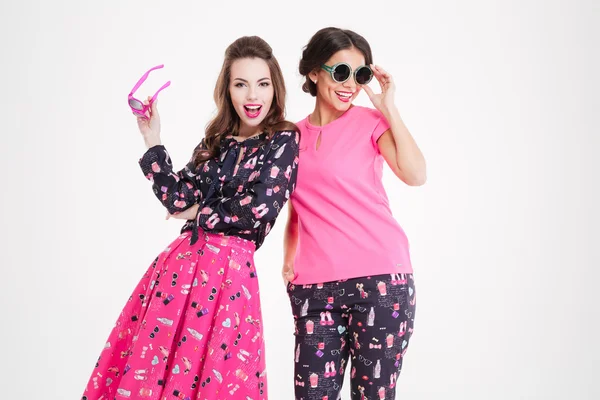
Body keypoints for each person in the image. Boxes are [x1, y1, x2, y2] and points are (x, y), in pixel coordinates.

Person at [81, 35, 299, 400]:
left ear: (274, 88)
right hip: (180, 272)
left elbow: (260, 207)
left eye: (262, 84)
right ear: (227, 90)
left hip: (230, 278)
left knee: (220, 380)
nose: (252, 96)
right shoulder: (215, 142)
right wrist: (153, 140)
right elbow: (176, 197)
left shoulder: (282, 140)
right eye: (241, 84)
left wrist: (200, 212)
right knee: (154, 377)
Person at [282, 27, 426, 400]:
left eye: (360, 75)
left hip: (381, 284)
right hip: (313, 291)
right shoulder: (289, 137)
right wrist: (288, 260)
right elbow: (298, 204)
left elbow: (415, 174)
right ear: (314, 72)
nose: (351, 85)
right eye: (340, 72)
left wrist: (387, 106)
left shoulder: (370, 122)